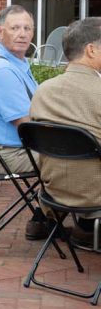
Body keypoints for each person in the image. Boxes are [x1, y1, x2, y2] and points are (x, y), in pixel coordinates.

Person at [0, 5, 49, 239]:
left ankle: (45, 218)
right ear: (0, 31)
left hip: (15, 148)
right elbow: (26, 125)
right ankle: (56, 221)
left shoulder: (18, 63)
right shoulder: (2, 69)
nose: (22, 34)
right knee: (73, 161)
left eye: (27, 28)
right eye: (15, 28)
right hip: (1, 154)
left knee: (75, 154)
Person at [29, 18, 101, 248]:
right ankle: (87, 229)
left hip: (54, 193)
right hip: (95, 194)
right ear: (91, 50)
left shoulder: (43, 91)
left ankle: (86, 229)